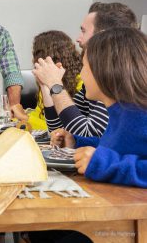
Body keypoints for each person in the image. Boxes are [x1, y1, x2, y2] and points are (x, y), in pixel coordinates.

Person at [51, 27, 147, 187]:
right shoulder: (121, 111)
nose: (80, 74)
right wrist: (77, 143)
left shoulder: (141, 115)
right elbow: (118, 148)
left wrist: (105, 164)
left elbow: (116, 159)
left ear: (104, 70)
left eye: (84, 66)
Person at [33, 2, 137, 137]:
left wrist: (55, 85)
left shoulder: (123, 78)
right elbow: (63, 130)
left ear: (103, 36)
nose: (77, 38)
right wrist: (46, 85)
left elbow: (87, 134)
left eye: (83, 31)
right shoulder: (96, 80)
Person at [27, 31, 83, 130]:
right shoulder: (45, 82)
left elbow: (68, 129)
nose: (33, 61)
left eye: (35, 55)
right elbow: (39, 116)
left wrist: (25, 119)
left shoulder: (82, 84)